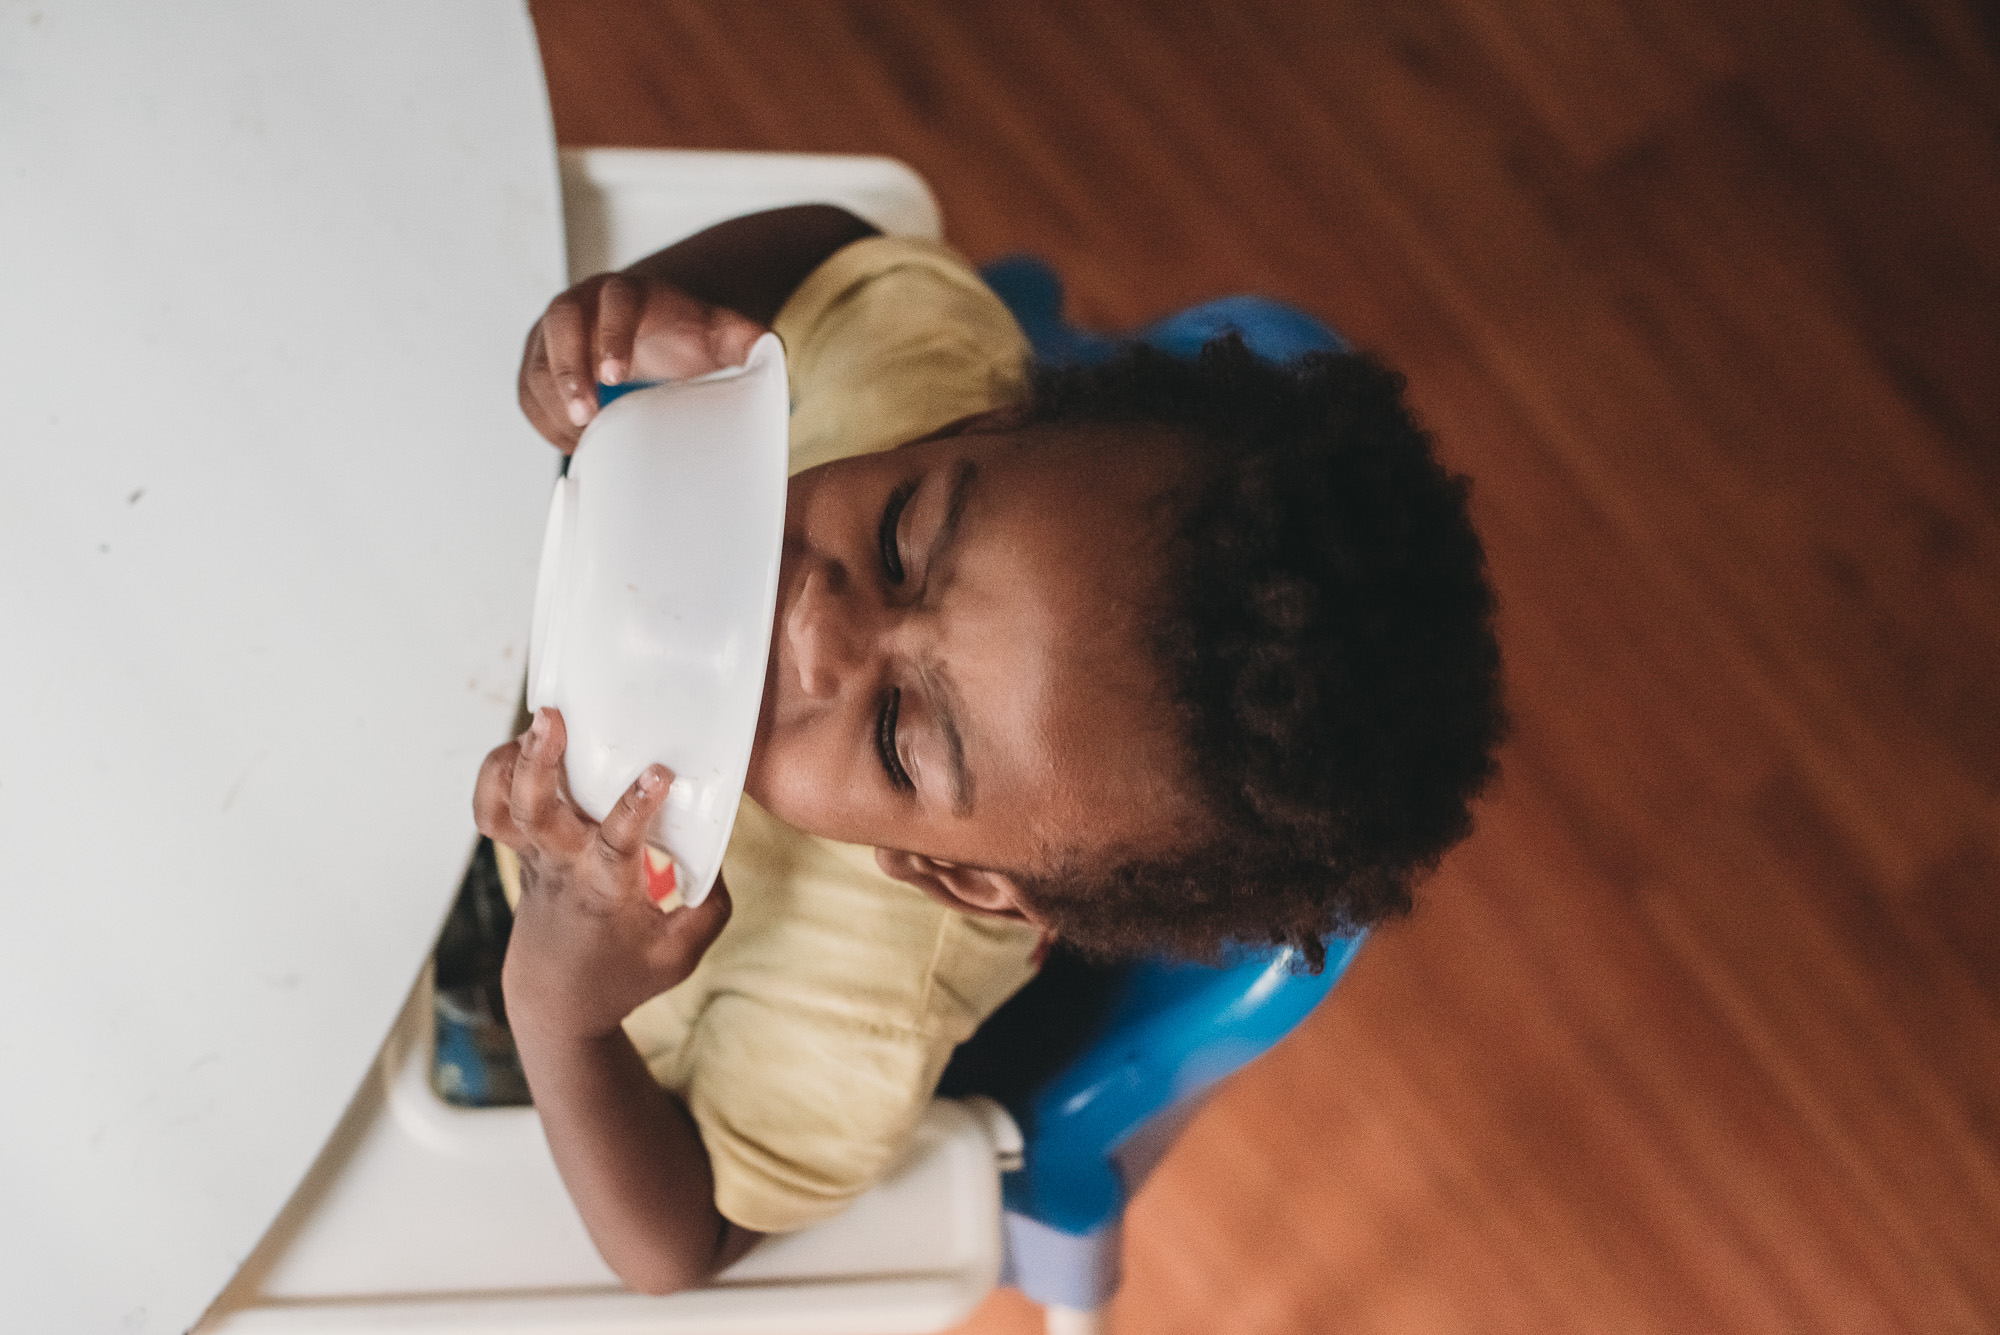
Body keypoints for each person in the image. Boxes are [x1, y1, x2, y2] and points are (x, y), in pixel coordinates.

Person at [471, 204, 1505, 1294]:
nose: (813, 623)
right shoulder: (919, 372)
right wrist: (633, 316)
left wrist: (557, 1011)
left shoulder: (861, 1006)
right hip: (523, 566)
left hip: (531, 933)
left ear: (948, 874)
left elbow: (675, 1244)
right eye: (899, 537)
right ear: (988, 427)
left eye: (893, 735)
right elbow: (836, 251)